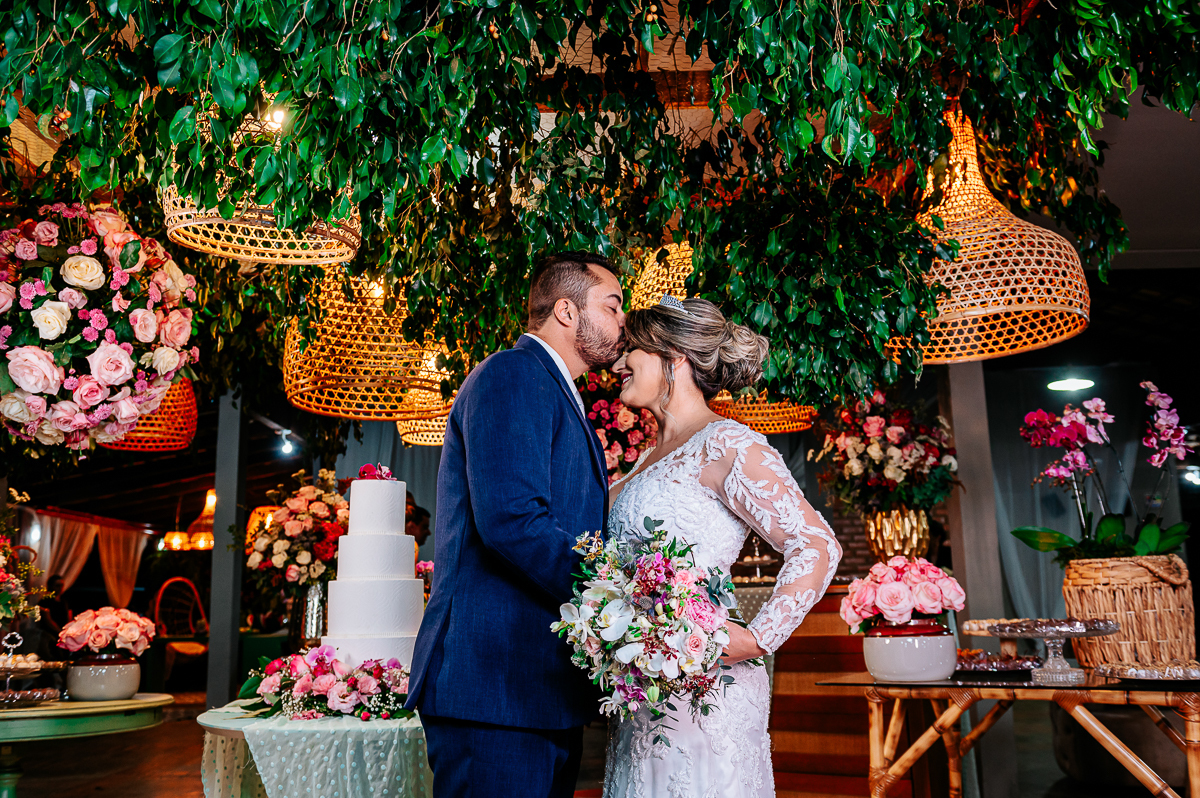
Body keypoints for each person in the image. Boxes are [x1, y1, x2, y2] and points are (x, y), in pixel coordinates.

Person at [406, 252, 625, 798]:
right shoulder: (512, 374)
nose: (622, 321)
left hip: (536, 687)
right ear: (568, 311)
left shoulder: (556, 389)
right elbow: (512, 521)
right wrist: (613, 597)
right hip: (494, 686)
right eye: (613, 305)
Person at [603, 296, 842, 796]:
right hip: (643, 690)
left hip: (708, 685)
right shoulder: (648, 456)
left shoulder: (726, 443)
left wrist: (757, 638)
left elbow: (816, 544)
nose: (618, 363)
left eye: (632, 351)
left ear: (675, 358)